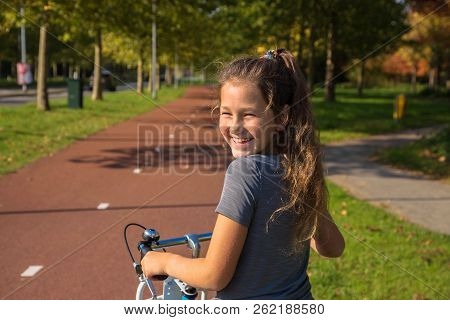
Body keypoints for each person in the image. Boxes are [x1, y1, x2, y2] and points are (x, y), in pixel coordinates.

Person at [141, 49, 345, 299]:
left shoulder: (246, 171)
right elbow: (333, 247)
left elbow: (214, 275)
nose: (234, 126)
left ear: (281, 117)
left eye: (248, 114)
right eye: (226, 113)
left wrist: (164, 263)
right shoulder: (297, 166)